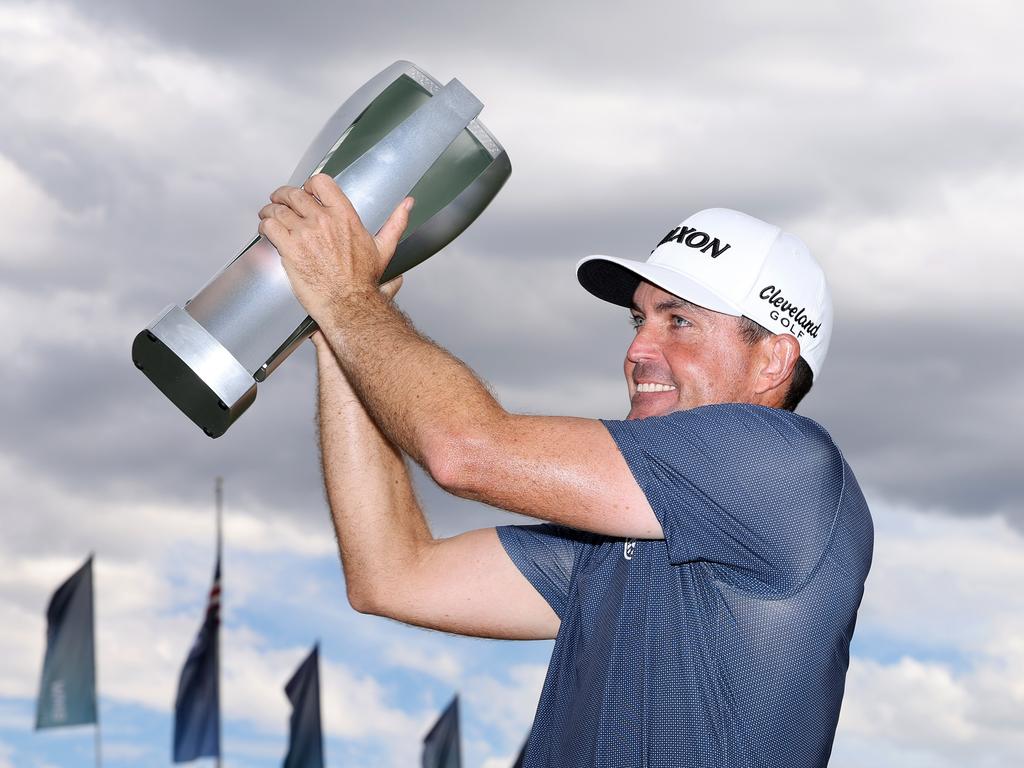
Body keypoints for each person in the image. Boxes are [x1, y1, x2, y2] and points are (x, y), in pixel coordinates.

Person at [258, 175, 874, 768]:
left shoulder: (781, 460)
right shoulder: (631, 537)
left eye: (678, 321)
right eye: (640, 320)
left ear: (774, 359)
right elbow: (392, 576)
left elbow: (468, 451)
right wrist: (337, 334)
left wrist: (348, 298)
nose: (638, 350)